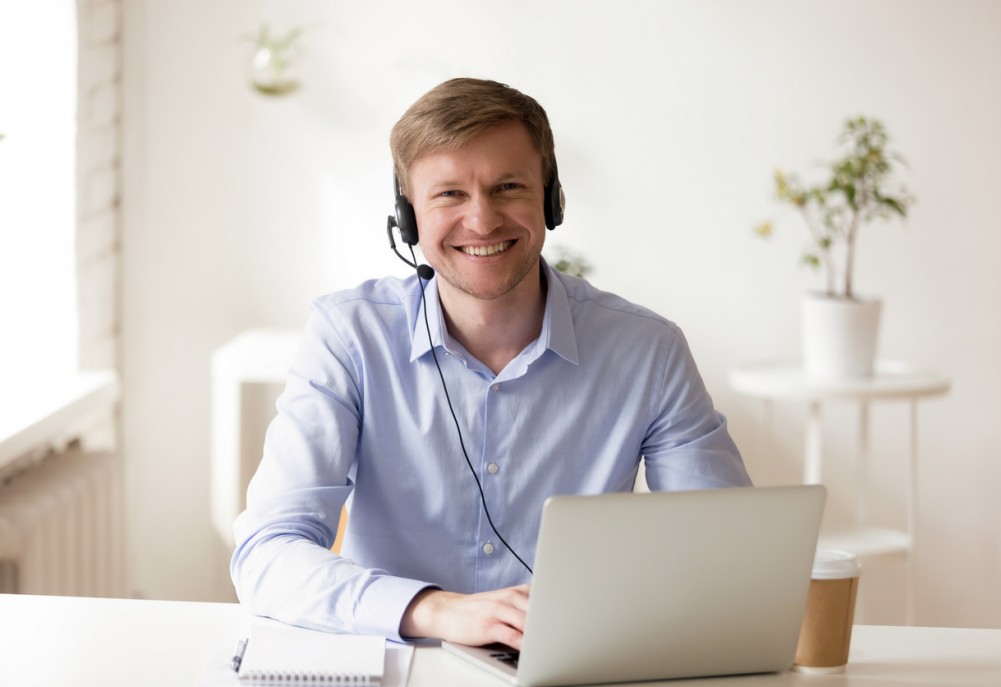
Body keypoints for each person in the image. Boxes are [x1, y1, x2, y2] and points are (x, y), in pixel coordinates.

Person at [230, 77, 751, 650]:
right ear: (408, 217)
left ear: (552, 199)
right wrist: (434, 610)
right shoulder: (349, 336)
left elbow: (726, 560)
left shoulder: (647, 350)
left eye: (507, 186)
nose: (482, 221)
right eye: (449, 194)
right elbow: (267, 553)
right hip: (402, 663)